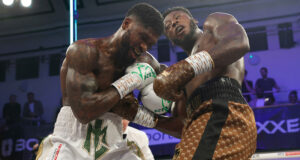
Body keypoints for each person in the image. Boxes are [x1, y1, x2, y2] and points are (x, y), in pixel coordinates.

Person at [36, 3, 164, 160]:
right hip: (71, 139)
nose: (144, 47)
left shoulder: (145, 62)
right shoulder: (84, 52)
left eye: (149, 44)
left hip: (115, 141)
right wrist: (132, 80)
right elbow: (84, 112)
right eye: (143, 37)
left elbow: (167, 97)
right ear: (126, 24)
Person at [151, 7, 257, 160]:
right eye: (168, 27)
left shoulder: (213, 24)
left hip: (224, 113)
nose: (173, 23)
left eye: (177, 17)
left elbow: (239, 42)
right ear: (171, 41)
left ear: (194, 20)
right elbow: (184, 125)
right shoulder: (182, 77)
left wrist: (187, 68)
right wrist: (138, 115)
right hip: (199, 129)